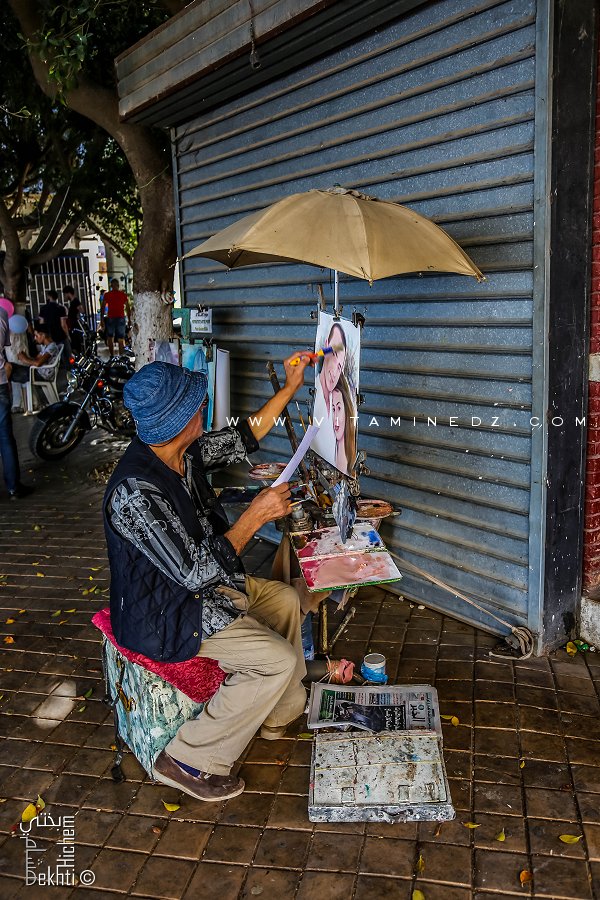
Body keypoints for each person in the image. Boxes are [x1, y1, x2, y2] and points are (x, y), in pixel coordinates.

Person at [103, 353, 313, 802]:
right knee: (274, 659)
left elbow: (245, 434)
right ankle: (187, 758)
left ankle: (278, 714)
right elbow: (194, 574)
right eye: (196, 407)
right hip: (167, 611)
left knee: (286, 601)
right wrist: (253, 517)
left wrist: (291, 385)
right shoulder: (135, 493)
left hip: (208, 584)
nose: (204, 410)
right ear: (179, 421)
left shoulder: (186, 452)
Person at [0, 307, 32, 500]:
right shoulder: (2, 314)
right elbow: (5, 345)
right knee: (5, 438)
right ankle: (13, 487)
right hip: (0, 382)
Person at [311, 321, 347, 467]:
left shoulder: (337, 398)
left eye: (340, 366)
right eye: (333, 353)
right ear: (325, 346)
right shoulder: (316, 394)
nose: (335, 371)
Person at [10, 323, 61, 396]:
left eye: (36, 335)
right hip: (37, 371)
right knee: (10, 366)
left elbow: (38, 363)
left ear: (43, 335)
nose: (35, 338)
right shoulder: (46, 346)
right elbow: (36, 359)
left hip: (41, 375)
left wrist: (24, 359)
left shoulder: (52, 347)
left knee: (9, 370)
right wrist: (26, 357)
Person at [331, 371, 357, 475]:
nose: (335, 417)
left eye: (339, 408)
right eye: (333, 409)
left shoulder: (350, 460)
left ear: (347, 410)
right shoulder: (330, 455)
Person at [101, 278, 130, 356]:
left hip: (111, 318)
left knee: (110, 337)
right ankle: (120, 356)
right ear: (118, 285)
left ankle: (112, 356)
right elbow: (127, 307)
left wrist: (102, 319)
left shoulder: (107, 295)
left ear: (111, 286)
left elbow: (103, 307)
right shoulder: (123, 295)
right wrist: (129, 319)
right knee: (121, 338)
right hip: (121, 317)